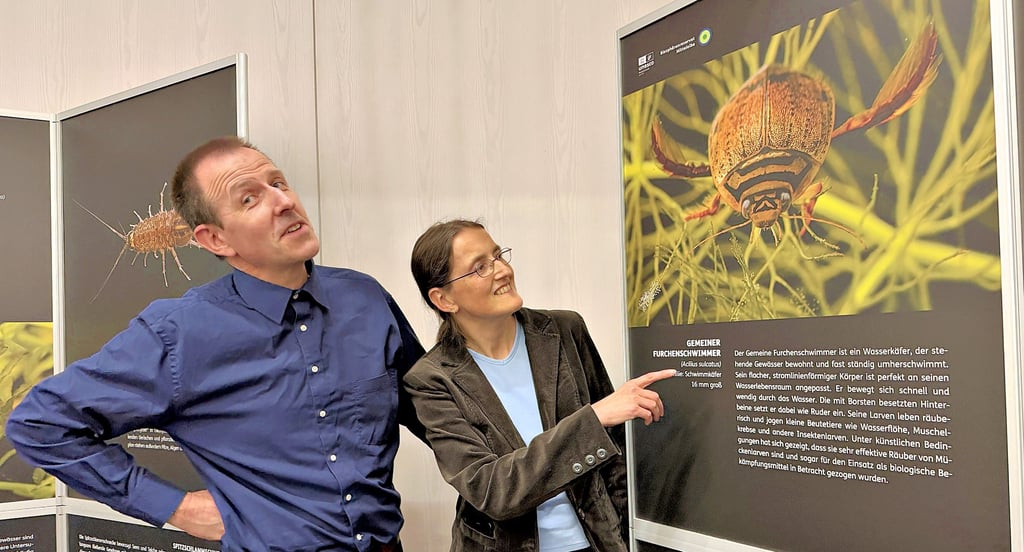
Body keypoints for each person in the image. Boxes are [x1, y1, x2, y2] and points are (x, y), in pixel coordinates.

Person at [6, 137, 424, 552]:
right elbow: (40, 423)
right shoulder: (180, 333)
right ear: (215, 241)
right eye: (248, 199)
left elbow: (432, 407)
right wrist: (176, 507)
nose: (282, 202)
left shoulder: (364, 298)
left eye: (278, 183)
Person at [405, 219, 676, 552]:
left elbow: (614, 454)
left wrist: (621, 531)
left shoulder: (565, 329)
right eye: (480, 268)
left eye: (498, 256)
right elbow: (492, 490)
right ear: (443, 299)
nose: (502, 270)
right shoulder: (432, 380)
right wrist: (591, 420)